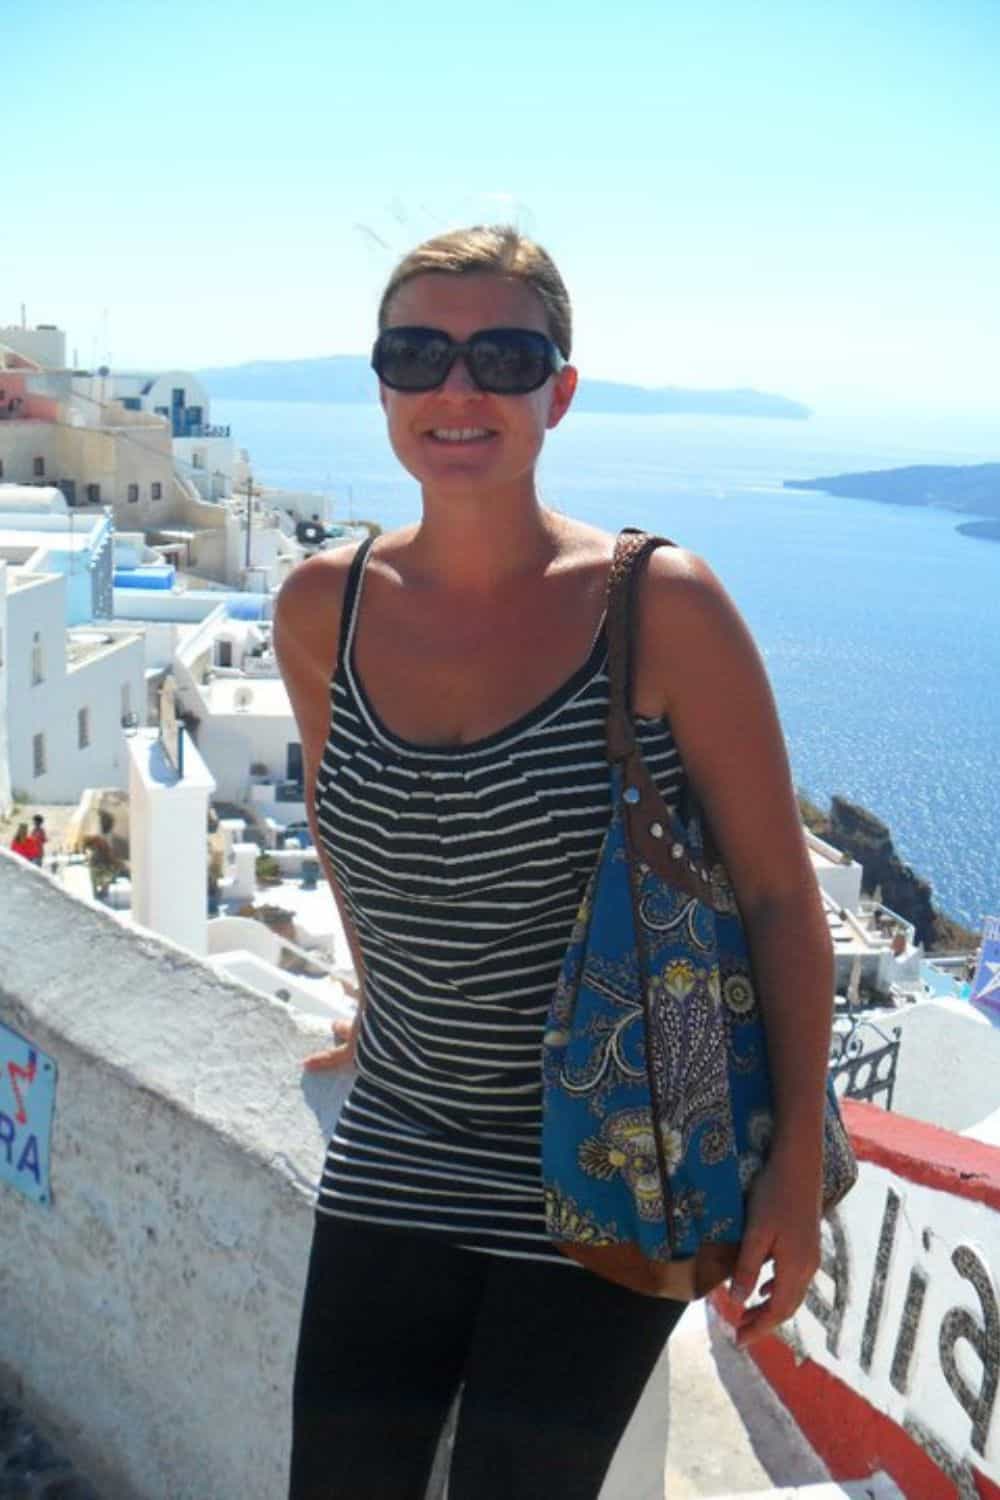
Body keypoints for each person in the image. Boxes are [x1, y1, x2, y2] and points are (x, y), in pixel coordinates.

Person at [274, 225, 834, 1500]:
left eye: (502, 355)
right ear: (381, 384)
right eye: (417, 352)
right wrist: (382, 995)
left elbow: (775, 895)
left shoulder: (659, 606)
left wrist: (793, 1167)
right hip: (401, 1134)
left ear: (557, 392)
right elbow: (342, 819)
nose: (455, 389)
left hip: (620, 1157)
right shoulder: (325, 606)